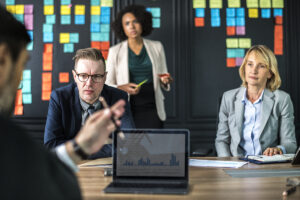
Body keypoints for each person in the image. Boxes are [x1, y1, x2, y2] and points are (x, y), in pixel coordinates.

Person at [0, 5, 126, 199]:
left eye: (96, 77)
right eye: (23, 64)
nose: (19, 82)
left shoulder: (117, 96)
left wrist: (80, 147)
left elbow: (127, 144)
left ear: (105, 77)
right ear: (4, 58)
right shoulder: (13, 141)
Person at [44, 48, 135, 159]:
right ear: (75, 76)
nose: (89, 84)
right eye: (83, 76)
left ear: (105, 77)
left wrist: (78, 151)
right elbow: (51, 145)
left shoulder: (119, 97)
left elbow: (129, 142)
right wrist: (93, 149)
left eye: (96, 76)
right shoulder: (59, 97)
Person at [215, 45, 297, 157]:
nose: (254, 70)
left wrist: (279, 149)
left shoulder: (282, 100)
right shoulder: (228, 98)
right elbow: (221, 141)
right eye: (250, 64)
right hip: (236, 166)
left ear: (270, 73)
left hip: (268, 167)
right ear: (244, 68)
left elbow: (290, 143)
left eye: (261, 66)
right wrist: (228, 164)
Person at [106, 4, 173, 128]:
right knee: (131, 145)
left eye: (135, 21)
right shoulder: (115, 51)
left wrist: (165, 80)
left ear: (143, 22)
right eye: (127, 23)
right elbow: (107, 84)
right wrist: (122, 87)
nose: (131, 26)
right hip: (127, 106)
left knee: (154, 143)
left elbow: (163, 75)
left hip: (153, 105)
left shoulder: (157, 46)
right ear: (122, 28)